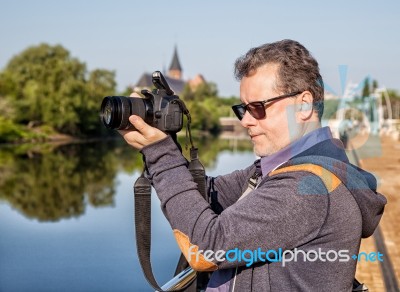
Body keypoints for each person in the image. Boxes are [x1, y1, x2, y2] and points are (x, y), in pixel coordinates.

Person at [119, 39, 387, 291]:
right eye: (243, 109)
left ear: (304, 105)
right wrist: (164, 144)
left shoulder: (309, 187)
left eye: (258, 107)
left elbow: (205, 249)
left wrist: (160, 154)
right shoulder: (279, 170)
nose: (245, 120)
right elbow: (207, 194)